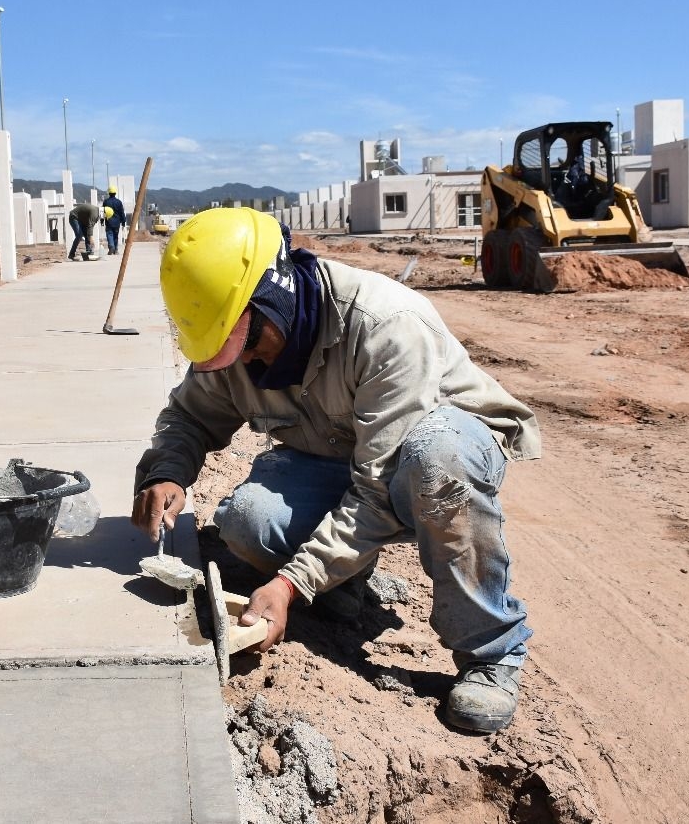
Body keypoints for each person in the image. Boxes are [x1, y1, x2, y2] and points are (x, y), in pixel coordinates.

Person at [130, 207, 541, 734]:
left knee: (436, 462)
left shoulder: (383, 326)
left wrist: (290, 584)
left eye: (247, 347)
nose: (244, 365)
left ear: (274, 300)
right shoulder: (240, 340)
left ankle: (490, 651)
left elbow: (375, 491)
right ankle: (341, 587)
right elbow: (189, 415)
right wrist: (166, 472)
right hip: (336, 458)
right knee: (247, 521)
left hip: (432, 454)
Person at [103, 186, 127, 255]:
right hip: (117, 222)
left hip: (109, 222)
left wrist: (102, 220)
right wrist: (123, 222)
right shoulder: (119, 202)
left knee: (109, 234)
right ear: (115, 193)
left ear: (109, 193)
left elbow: (103, 212)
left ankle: (111, 246)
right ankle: (115, 250)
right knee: (116, 236)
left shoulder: (106, 202)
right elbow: (121, 212)